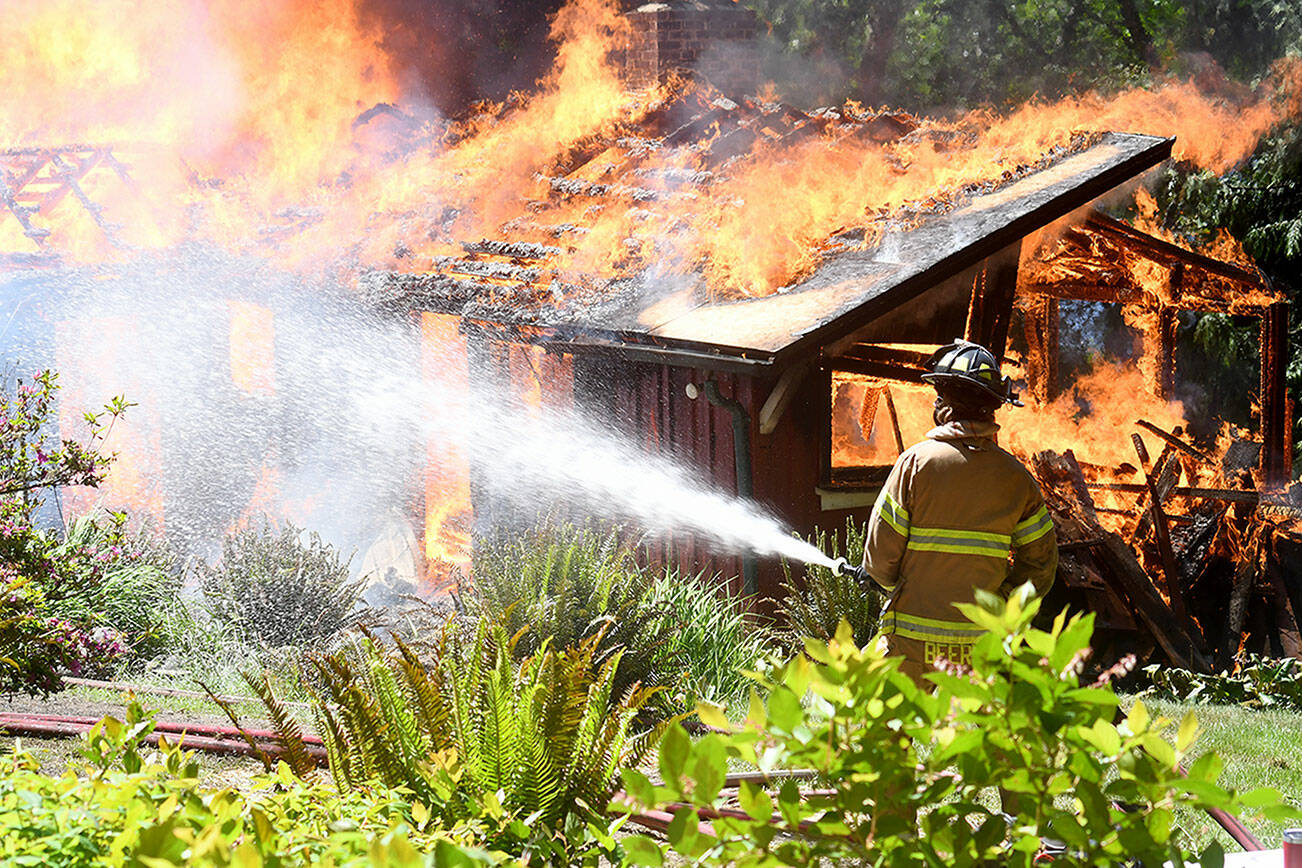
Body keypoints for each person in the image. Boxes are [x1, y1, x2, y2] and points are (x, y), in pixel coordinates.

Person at [860, 338, 1059, 685]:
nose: (935, 406)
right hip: (982, 646)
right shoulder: (1016, 478)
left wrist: (895, 584)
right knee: (978, 736)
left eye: (939, 398)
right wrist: (1002, 603)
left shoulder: (915, 464)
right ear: (992, 408)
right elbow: (1041, 566)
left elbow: (879, 560)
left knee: (870, 721)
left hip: (910, 643)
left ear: (947, 408)